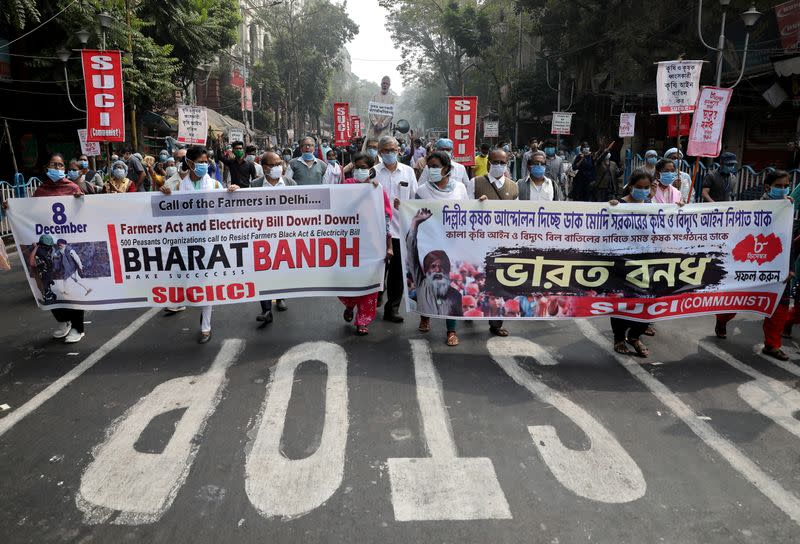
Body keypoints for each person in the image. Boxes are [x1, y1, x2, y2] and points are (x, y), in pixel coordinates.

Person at [160, 145, 239, 343]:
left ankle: (206, 327)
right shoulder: (177, 186)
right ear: (189, 163)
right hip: (185, 242)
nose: (204, 165)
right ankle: (183, 302)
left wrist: (233, 191)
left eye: (206, 162)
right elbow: (164, 210)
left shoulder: (214, 185)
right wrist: (163, 194)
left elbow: (227, 208)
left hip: (209, 241)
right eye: (200, 162)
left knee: (206, 281)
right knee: (189, 279)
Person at [715, 170, 796, 360]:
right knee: (738, 298)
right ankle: (722, 319)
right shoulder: (753, 208)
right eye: (779, 186)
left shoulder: (787, 208)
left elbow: (788, 240)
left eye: (786, 185)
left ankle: (772, 345)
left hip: (777, 266)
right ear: (768, 187)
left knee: (780, 305)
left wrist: (790, 267)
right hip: (751, 262)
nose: (783, 189)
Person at [411, 151, 469, 346]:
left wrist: (481, 204)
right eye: (430, 166)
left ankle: (451, 330)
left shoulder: (460, 188)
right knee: (424, 283)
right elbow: (412, 213)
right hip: (427, 245)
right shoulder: (421, 190)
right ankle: (425, 317)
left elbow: (468, 214)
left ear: (447, 168)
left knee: (449, 289)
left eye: (436, 166)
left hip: (451, 245)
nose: (432, 170)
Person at [32, 153, 86, 343]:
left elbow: (84, 213)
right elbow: (29, 214)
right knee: (50, 285)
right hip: (48, 248)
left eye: (61, 165)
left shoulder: (73, 188)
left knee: (70, 288)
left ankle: (78, 327)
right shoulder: (40, 191)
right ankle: (63, 321)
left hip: (67, 244)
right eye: (54, 164)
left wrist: (81, 199)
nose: (57, 168)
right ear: (47, 167)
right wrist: (11, 208)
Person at [338, 152, 393, 335]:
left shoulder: (379, 190)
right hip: (350, 242)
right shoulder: (346, 186)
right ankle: (350, 304)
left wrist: (389, 245)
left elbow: (386, 218)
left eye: (364, 168)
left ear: (370, 170)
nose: (360, 171)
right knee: (349, 281)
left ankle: (363, 320)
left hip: (372, 243)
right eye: (357, 167)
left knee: (370, 284)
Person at [607, 169, 656, 357]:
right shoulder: (618, 204)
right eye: (639, 187)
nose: (643, 191)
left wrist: (679, 209)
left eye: (646, 188)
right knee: (622, 301)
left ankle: (635, 336)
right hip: (621, 262)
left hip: (646, 262)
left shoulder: (653, 206)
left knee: (648, 301)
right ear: (631, 185)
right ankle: (619, 338)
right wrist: (610, 209)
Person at [471, 147, 518, 337]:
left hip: (502, 243)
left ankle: (496, 322)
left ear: (507, 164)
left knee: (499, 283)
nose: (499, 165)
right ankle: (471, 311)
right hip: (478, 241)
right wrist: (477, 205)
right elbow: (463, 210)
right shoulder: (475, 183)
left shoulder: (513, 186)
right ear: (489, 163)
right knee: (477, 280)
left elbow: (518, 216)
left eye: (503, 162)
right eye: (495, 162)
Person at [374, 135, 418, 323]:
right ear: (380, 152)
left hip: (401, 229)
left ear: (399, 151)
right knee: (377, 269)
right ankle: (375, 295)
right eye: (386, 150)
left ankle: (392, 308)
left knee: (398, 273)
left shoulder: (408, 172)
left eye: (393, 150)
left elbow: (416, 198)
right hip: (377, 231)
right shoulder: (372, 172)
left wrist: (406, 205)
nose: (390, 153)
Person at [253, 151, 294, 325]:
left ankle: (281, 296)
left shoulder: (291, 184)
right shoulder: (254, 185)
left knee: (282, 268)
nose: (278, 167)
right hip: (262, 236)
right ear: (264, 167)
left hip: (285, 235)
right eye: (273, 164)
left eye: (279, 164)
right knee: (263, 270)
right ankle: (266, 309)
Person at [365, 76, 395, 144]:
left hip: (384, 130)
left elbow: (390, 115)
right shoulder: (374, 96)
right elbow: (371, 112)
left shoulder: (392, 98)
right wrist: (375, 123)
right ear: (381, 84)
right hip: (373, 128)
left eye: (386, 84)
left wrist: (382, 125)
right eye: (383, 83)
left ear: (389, 85)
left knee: (384, 149)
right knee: (370, 148)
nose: (385, 85)